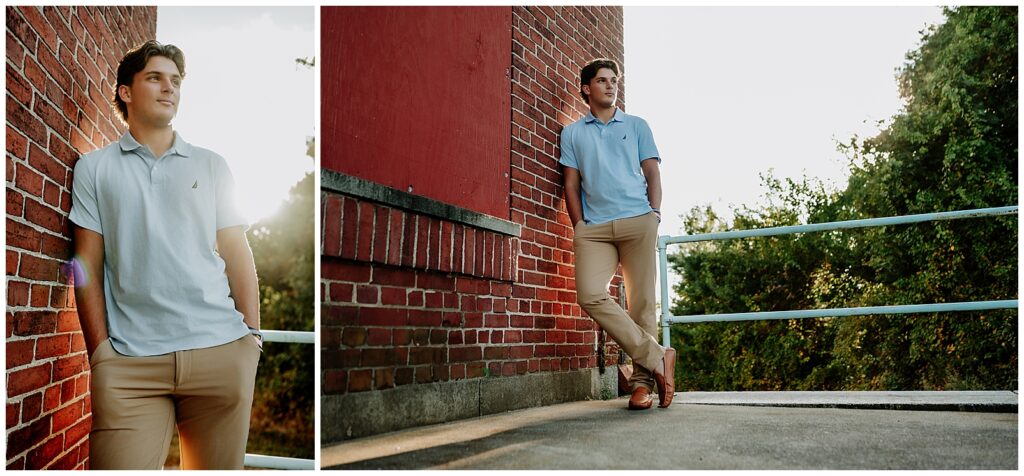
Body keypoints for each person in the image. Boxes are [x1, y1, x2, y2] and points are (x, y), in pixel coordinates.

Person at [69, 40, 262, 469]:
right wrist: (100, 353)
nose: (168, 88)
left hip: (221, 352)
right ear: (125, 91)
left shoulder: (211, 165)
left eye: (175, 81)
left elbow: (236, 251)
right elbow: (85, 264)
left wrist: (252, 338)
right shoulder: (94, 169)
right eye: (154, 78)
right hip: (130, 366)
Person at [560, 58, 675, 411]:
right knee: (590, 293)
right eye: (602, 80)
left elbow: (652, 173)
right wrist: (579, 225)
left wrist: (654, 215)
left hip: (638, 221)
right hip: (594, 229)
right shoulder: (573, 133)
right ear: (586, 88)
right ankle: (658, 357)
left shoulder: (637, 125)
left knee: (641, 306)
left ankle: (641, 387)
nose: (611, 86)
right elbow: (571, 183)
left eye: (614, 80)